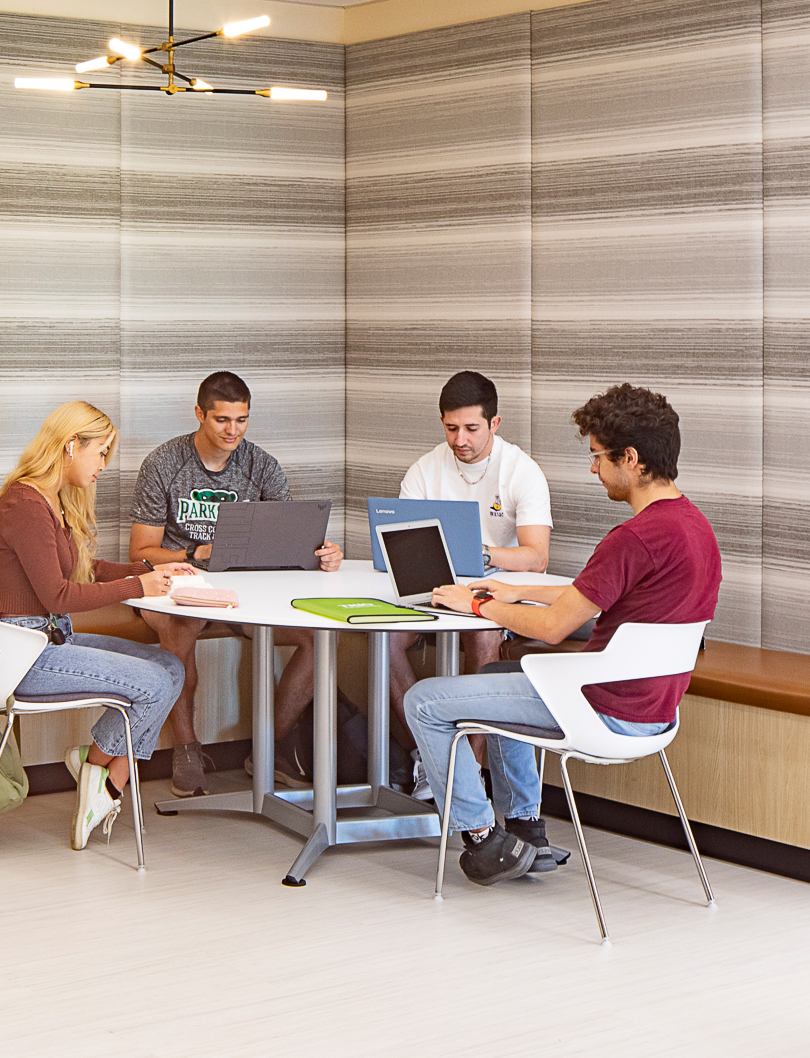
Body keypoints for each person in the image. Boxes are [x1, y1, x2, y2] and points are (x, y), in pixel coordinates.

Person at [405, 384, 721, 886]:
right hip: (654, 709)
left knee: (424, 701)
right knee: (503, 673)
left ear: (631, 459)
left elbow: (554, 629)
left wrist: (481, 603)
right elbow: (587, 596)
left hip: (601, 707)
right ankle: (526, 828)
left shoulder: (632, 539)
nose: (594, 468)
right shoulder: (694, 526)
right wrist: (512, 589)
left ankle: (483, 839)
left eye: (598, 457)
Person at [0, 401, 191, 851]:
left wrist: (148, 571)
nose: (102, 467)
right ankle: (107, 782)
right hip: (24, 656)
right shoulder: (26, 504)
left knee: (170, 666)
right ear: (71, 445)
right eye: (100, 453)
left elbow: (82, 569)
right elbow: (59, 595)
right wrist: (139, 585)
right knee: (153, 681)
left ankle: (94, 766)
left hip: (47, 639)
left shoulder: (48, 501)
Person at [128, 371, 342, 797]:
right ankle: (186, 748)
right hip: (176, 582)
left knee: (319, 636)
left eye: (241, 420)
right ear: (199, 415)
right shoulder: (163, 463)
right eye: (222, 420)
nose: (232, 431)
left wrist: (321, 553)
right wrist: (194, 555)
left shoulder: (260, 464)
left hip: (247, 587)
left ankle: (272, 745)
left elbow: (289, 537)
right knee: (179, 627)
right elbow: (142, 551)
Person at [382, 371, 554, 798]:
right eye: (451, 427)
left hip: (496, 592)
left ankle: (471, 770)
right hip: (433, 586)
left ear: (494, 424)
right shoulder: (425, 468)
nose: (460, 439)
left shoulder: (521, 471)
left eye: (471, 429)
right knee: (383, 640)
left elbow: (536, 556)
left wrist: (483, 555)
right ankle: (435, 755)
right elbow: (403, 539)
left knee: (482, 637)